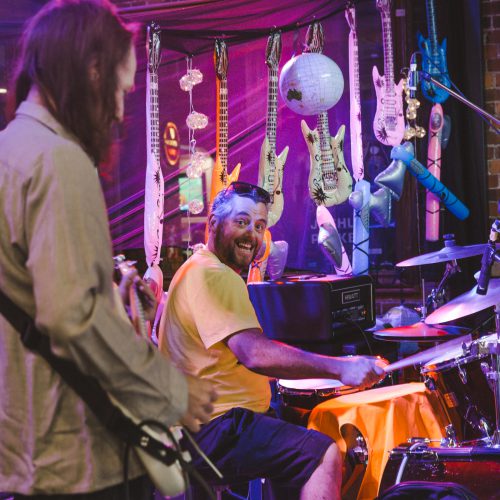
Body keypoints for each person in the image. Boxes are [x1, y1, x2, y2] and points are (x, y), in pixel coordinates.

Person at [0, 1, 217, 498]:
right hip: (80, 452)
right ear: (93, 71)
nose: (120, 112)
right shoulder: (58, 161)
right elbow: (72, 315)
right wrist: (172, 393)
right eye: (121, 90)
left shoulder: (10, 150)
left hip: (26, 447)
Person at [158, 181, 387, 499]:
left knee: (288, 453)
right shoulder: (214, 276)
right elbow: (253, 353)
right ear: (213, 224)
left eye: (259, 225)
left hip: (201, 426)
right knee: (322, 455)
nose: (251, 234)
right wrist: (340, 368)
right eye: (241, 222)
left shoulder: (193, 270)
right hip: (215, 427)